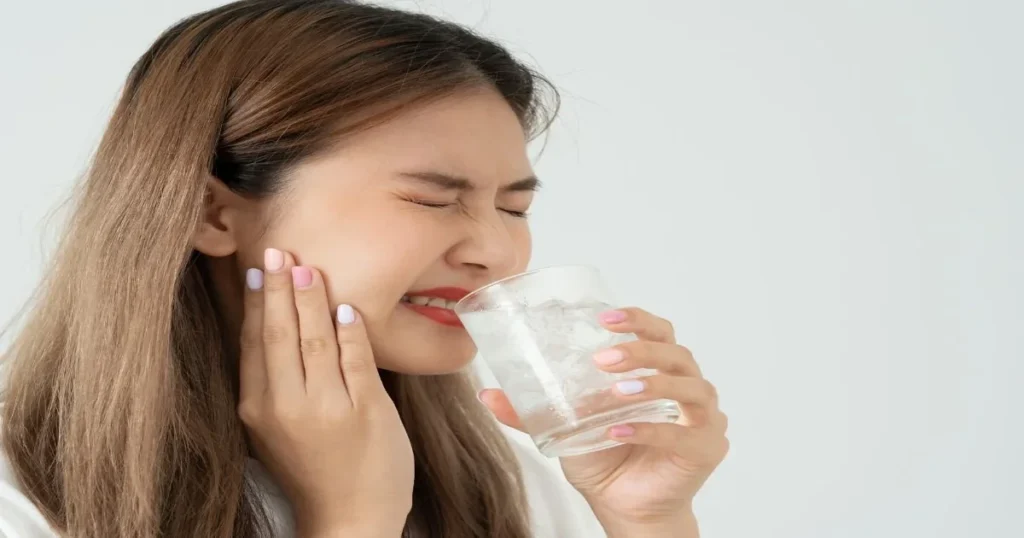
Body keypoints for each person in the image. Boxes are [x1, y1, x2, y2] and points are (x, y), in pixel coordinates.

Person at [0, 1, 729, 537]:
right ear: (211, 214)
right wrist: (350, 519)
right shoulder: (19, 500)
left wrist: (649, 518)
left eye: (513, 208)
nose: (496, 254)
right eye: (429, 199)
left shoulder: (510, 482)